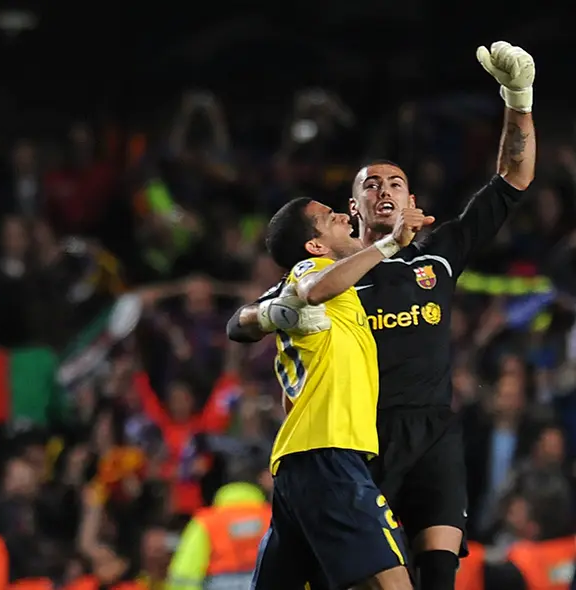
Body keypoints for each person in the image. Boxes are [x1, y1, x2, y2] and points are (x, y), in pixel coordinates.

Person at [228, 41, 537, 589]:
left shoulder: (439, 253)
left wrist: (518, 99)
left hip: (431, 428)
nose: (384, 189)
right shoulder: (330, 274)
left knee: (438, 572)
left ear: (411, 198)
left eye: (395, 182)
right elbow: (247, 319)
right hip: (359, 438)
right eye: (370, 184)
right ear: (354, 211)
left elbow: (512, 180)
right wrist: (272, 313)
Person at [246, 197, 431, 590]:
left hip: (301, 460)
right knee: (393, 583)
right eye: (331, 218)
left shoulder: (323, 299)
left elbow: (288, 390)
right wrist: (389, 244)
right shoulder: (313, 270)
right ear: (315, 246)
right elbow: (313, 289)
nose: (345, 217)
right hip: (328, 456)